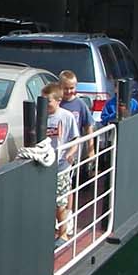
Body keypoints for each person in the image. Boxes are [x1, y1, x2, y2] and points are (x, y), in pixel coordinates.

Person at [42, 82, 80, 242]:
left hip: (61, 166)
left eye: (47, 101)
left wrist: (70, 154)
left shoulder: (66, 116)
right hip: (45, 165)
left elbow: (75, 139)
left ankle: (63, 232)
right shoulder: (39, 115)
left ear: (58, 100)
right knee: (45, 201)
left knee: (60, 202)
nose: (44, 104)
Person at [58, 70, 94, 140]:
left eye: (71, 88)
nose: (68, 91)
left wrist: (91, 149)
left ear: (76, 87)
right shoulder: (56, 103)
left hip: (74, 144)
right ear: (60, 86)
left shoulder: (80, 104)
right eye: (65, 88)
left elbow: (88, 126)